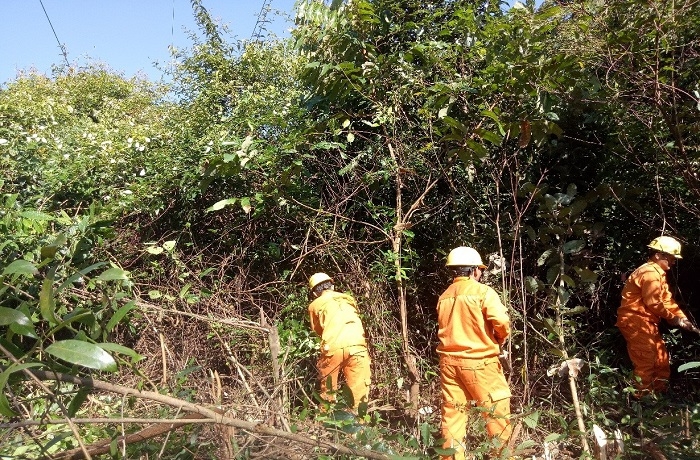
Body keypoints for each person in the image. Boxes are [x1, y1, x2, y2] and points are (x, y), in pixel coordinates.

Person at [436, 246, 512, 460]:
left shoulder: (444, 296)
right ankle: (502, 457)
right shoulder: (482, 292)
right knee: (496, 413)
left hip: (449, 364)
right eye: (480, 270)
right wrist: (500, 338)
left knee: (453, 416)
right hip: (480, 364)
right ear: (474, 270)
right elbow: (502, 322)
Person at [616, 235, 697, 396]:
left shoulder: (658, 274)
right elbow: (653, 303)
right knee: (646, 361)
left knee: (661, 359)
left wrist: (683, 318)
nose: (673, 262)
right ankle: (642, 401)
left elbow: (667, 300)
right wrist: (673, 319)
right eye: (672, 258)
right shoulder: (649, 273)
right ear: (659, 255)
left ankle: (659, 396)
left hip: (647, 323)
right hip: (635, 322)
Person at [307, 272, 371, 410]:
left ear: (314, 293)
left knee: (328, 393)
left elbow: (317, 331)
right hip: (357, 347)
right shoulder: (348, 299)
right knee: (359, 394)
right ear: (332, 285)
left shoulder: (315, 305)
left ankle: (327, 426)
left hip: (332, 348)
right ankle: (358, 429)